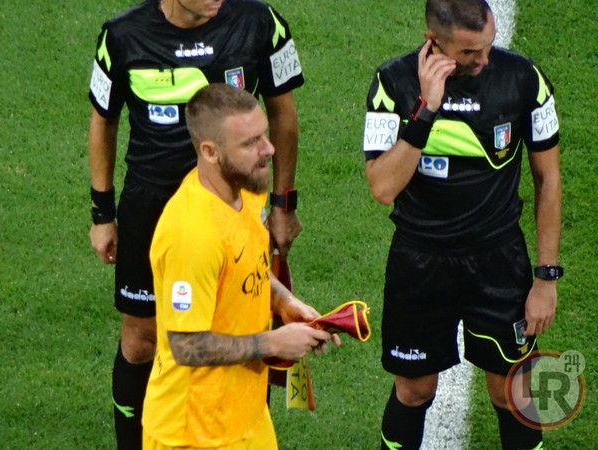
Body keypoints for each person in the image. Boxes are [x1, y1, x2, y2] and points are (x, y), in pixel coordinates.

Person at [87, 0, 304, 447]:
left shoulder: (259, 22)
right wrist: (102, 213)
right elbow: (102, 121)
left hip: (236, 197)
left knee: (244, 314)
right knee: (142, 338)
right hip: (152, 206)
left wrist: (283, 203)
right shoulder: (122, 36)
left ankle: (240, 422)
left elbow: (283, 114)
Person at [362, 0, 562, 448]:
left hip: (498, 262)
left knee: (512, 393)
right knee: (413, 391)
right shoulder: (392, 83)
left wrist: (546, 277)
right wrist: (426, 110)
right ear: (433, 41)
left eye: (488, 46)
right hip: (419, 263)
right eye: (470, 52)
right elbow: (383, 187)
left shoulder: (524, 79)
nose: (484, 59)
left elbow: (548, 179)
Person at [142, 83, 340, 449]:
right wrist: (273, 341)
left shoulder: (246, 190)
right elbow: (186, 346)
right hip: (193, 433)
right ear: (210, 151)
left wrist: (283, 302)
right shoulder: (193, 235)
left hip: (246, 416)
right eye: (250, 143)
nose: (269, 149)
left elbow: (248, 268)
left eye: (263, 134)